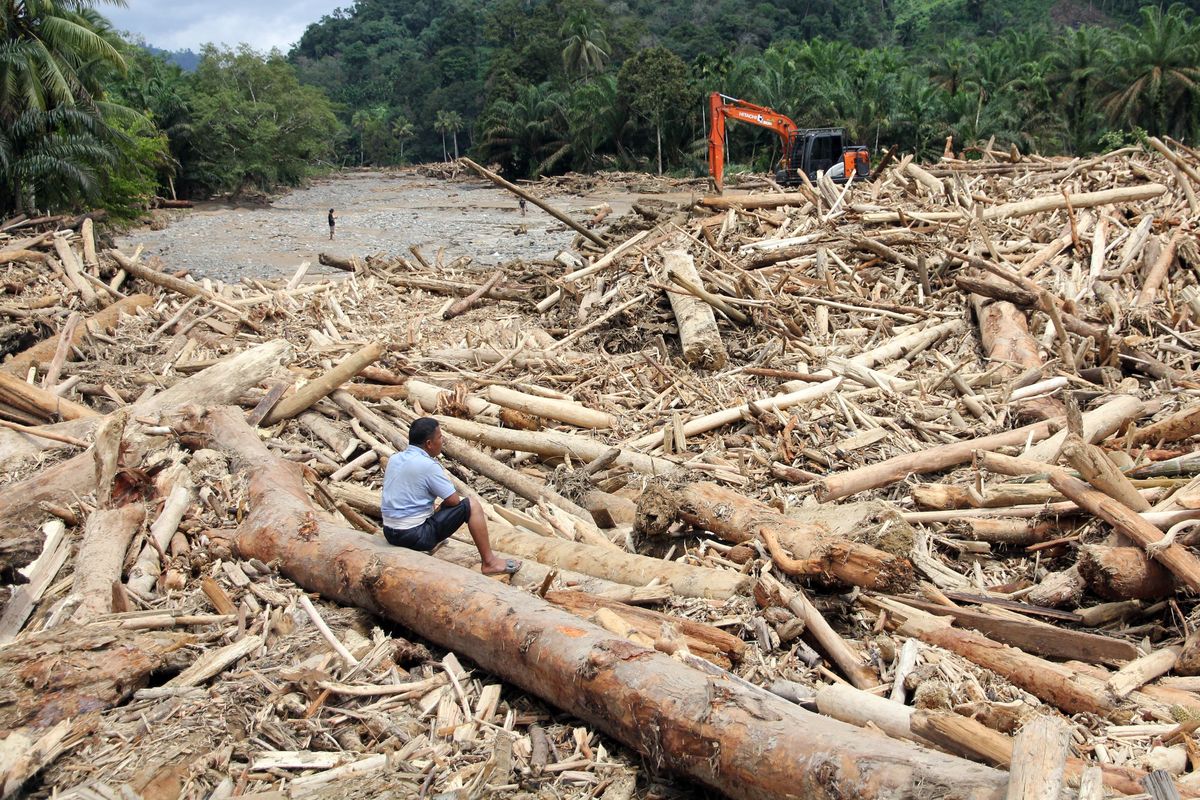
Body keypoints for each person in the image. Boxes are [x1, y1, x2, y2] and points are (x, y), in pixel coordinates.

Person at [381, 417, 521, 575]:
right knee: (472, 505)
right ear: (429, 443)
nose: (442, 440)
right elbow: (453, 500)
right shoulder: (428, 466)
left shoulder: (394, 458)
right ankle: (489, 562)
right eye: (440, 437)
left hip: (390, 532)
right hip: (414, 536)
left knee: (433, 505)